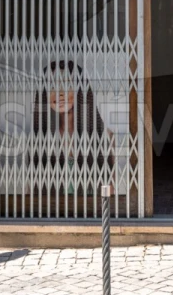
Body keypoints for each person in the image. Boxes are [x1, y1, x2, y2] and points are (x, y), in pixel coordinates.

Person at [32, 60, 113, 202]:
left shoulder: (104, 136)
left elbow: (111, 193)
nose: (60, 94)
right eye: (52, 86)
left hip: (92, 214)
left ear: (80, 90)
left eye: (68, 85)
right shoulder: (38, 140)